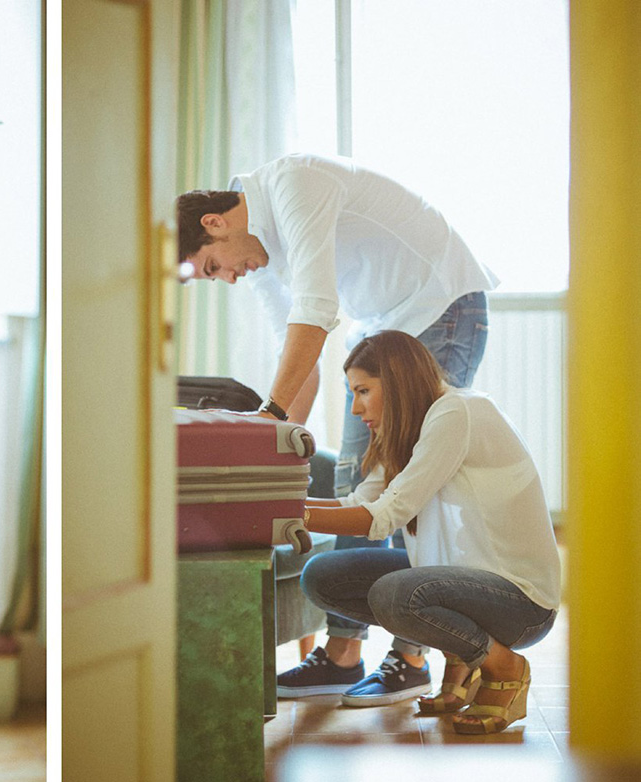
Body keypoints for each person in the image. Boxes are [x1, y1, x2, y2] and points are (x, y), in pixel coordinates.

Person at [176, 153, 499, 701]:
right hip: (387, 325)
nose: (227, 278)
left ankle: (411, 656)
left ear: (215, 224)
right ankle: (345, 654)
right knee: (357, 482)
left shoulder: (294, 183)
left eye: (213, 267)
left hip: (442, 306)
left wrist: (271, 417)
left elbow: (317, 310)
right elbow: (293, 347)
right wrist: (272, 446)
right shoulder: (261, 254)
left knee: (410, 483)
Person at [288, 332, 560, 730]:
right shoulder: (410, 428)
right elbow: (359, 504)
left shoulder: (457, 412)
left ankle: (506, 667)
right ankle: (462, 657)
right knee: (323, 576)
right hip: (466, 585)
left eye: (363, 391)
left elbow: (383, 517)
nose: (355, 408)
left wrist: (293, 519)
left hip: (520, 601)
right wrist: (284, 511)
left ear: (396, 380)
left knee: (395, 594)